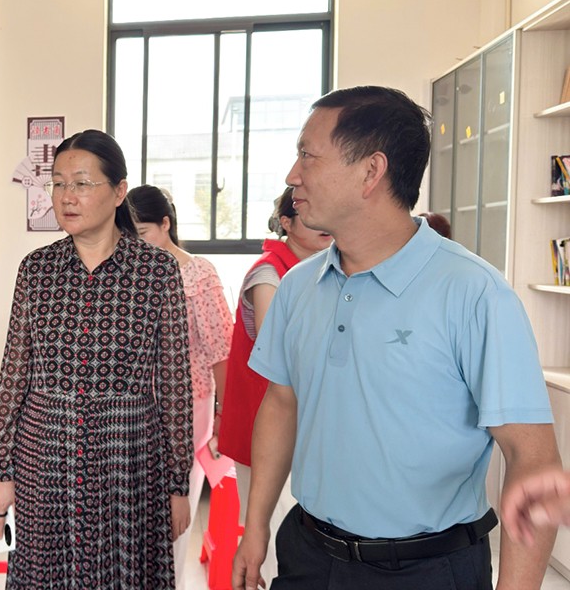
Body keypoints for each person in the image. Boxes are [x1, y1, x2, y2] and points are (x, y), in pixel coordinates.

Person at [231, 86, 560, 590]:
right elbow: (281, 402)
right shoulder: (297, 286)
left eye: (308, 155)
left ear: (371, 171)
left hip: (427, 568)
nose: (293, 175)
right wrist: (255, 526)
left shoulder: (475, 293)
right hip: (308, 556)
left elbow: (532, 461)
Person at [0, 129, 194, 589]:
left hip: (130, 460)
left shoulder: (157, 271)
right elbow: (14, 375)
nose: (66, 196)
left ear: (119, 192)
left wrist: (178, 483)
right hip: (44, 458)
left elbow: (175, 383)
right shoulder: (36, 270)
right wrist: (1, 471)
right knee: (46, 575)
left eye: (81, 183)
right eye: (58, 183)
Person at [216, 186, 332, 585]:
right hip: (263, 425)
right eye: (308, 214)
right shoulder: (268, 273)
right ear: (287, 223)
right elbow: (279, 348)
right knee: (273, 533)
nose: (322, 224)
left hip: (302, 424)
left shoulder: (318, 268)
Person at [128, 183, 233, 586]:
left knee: (174, 506)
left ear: (165, 224)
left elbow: (221, 350)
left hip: (187, 407)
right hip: (134, 408)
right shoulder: (129, 274)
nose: (137, 245)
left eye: (143, 234)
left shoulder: (197, 273)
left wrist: (224, 415)